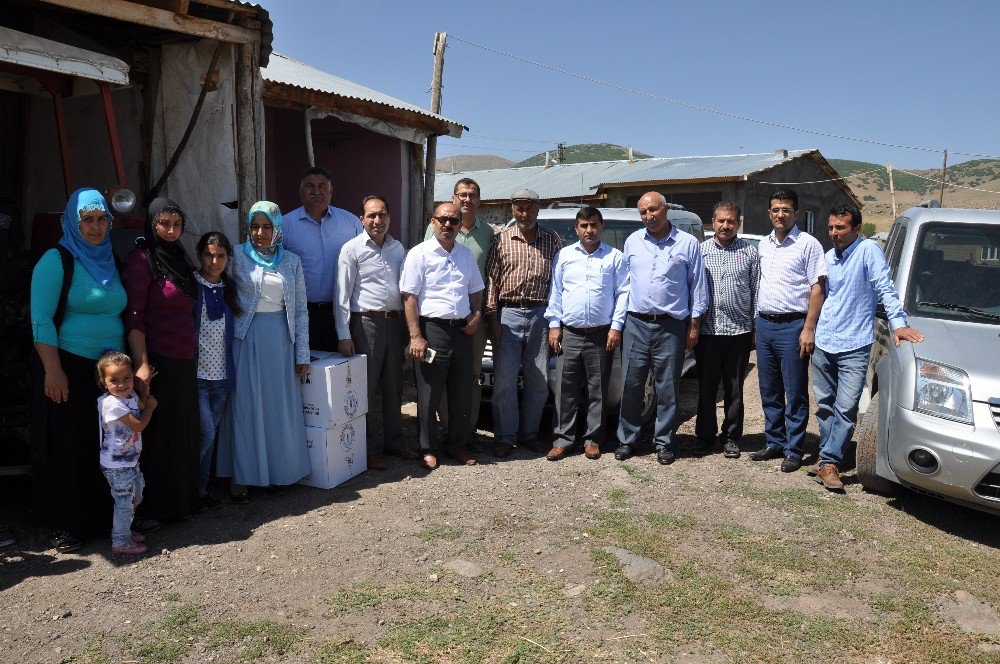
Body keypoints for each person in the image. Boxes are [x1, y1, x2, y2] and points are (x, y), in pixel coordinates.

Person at [30, 188, 127, 552]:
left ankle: (105, 518)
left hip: (110, 372)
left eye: (101, 219)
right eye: (87, 220)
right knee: (72, 446)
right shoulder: (56, 259)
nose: (95, 226)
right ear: (73, 221)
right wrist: (53, 371)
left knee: (108, 445)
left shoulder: (111, 259)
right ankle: (68, 524)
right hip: (69, 364)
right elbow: (40, 319)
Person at [810, 205, 924, 490]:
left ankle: (829, 461)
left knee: (846, 407)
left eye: (841, 228)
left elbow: (885, 288)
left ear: (857, 229)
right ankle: (827, 458)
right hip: (825, 341)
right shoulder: (828, 258)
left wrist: (899, 324)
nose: (834, 233)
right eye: (831, 227)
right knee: (824, 406)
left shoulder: (868, 251)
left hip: (855, 344)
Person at [217, 202, 311, 499]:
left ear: (277, 228)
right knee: (246, 406)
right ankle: (243, 475)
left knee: (277, 407)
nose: (260, 232)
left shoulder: (291, 262)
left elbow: (299, 311)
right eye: (255, 226)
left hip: (281, 340)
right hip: (245, 339)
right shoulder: (236, 256)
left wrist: (302, 354)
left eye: (266, 226)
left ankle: (279, 472)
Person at [123, 197, 200, 522]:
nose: (170, 231)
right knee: (159, 436)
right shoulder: (141, 261)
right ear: (151, 224)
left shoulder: (181, 258)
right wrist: (141, 364)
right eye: (163, 224)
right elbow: (135, 318)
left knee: (182, 431)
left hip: (184, 360)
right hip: (157, 362)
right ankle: (153, 508)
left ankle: (181, 504)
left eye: (176, 224)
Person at [616, 192, 707, 465]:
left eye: (653, 210)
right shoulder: (633, 241)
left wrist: (694, 325)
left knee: (667, 388)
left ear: (665, 209)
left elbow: (697, 286)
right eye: (643, 212)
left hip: (671, 326)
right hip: (635, 323)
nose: (648, 216)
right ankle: (627, 439)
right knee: (631, 385)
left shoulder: (687, 243)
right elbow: (623, 284)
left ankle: (664, 442)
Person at [336, 195, 419, 469]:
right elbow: (342, 295)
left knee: (394, 386)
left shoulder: (398, 249)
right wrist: (344, 334)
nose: (377, 220)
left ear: (389, 218)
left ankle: (394, 442)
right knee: (366, 390)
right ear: (362, 219)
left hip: (394, 324)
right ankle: (367, 448)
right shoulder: (352, 249)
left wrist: (409, 329)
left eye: (381, 215)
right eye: (371, 215)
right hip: (365, 325)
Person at [401, 202, 484, 470]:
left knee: (462, 392)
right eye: (443, 220)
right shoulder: (419, 254)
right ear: (432, 222)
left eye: (454, 221)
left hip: (462, 330)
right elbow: (410, 297)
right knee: (429, 393)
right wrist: (416, 336)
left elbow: (475, 290)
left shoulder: (466, 255)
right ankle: (428, 448)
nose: (448, 225)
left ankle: (458, 446)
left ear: (460, 225)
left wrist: (476, 314)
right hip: (431, 330)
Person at [750, 189, 826, 473]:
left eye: (785, 210)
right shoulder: (763, 244)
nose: (780, 214)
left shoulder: (808, 244)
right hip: (765, 324)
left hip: (794, 325)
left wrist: (809, 328)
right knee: (769, 389)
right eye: (775, 210)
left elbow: (818, 287)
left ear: (795, 213)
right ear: (769, 213)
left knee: (794, 391)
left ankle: (794, 449)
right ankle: (774, 442)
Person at [544, 207, 629, 461]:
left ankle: (592, 439)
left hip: (601, 335)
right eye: (584, 225)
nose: (589, 230)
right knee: (565, 389)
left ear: (602, 227)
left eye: (594, 225)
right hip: (569, 333)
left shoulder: (614, 257)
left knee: (598, 391)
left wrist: (616, 327)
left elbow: (623, 293)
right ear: (576, 228)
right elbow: (556, 292)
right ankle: (563, 439)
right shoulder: (564, 256)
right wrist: (554, 325)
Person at [484, 189, 562, 458]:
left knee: (538, 381)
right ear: (512, 210)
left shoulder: (552, 240)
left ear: (537, 209)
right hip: (508, 315)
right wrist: (492, 317)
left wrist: (555, 321)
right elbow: (492, 280)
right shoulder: (501, 240)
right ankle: (505, 437)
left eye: (529, 208)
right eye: (519, 208)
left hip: (541, 315)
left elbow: (558, 283)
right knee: (504, 381)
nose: (524, 214)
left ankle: (529, 434)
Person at [425, 178, 494, 448]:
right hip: (439, 319)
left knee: (471, 376)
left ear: (479, 200)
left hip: (472, 319)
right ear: (453, 198)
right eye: (462, 195)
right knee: (441, 376)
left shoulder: (488, 233)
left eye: (472, 195)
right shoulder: (434, 230)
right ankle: (445, 429)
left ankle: (467, 430)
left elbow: (490, 277)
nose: (467, 199)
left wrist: (481, 314)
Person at [694, 202, 760, 459]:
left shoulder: (749, 253)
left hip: (738, 332)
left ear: (738, 224)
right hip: (708, 332)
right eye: (721, 221)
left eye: (731, 221)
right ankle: (705, 437)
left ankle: (731, 437)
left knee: (734, 390)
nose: (726, 225)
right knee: (707, 388)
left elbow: (756, 291)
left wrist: (754, 328)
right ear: (713, 222)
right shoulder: (700, 251)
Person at [282, 166, 363, 351]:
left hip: (343, 314)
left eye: (322, 186)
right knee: (304, 372)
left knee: (341, 372)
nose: (316, 192)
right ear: (300, 190)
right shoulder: (285, 225)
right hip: (302, 313)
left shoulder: (351, 223)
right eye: (310, 186)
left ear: (331, 190)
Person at [193, 232, 240, 509]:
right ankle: (185, 486)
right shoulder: (192, 286)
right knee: (206, 431)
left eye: (220, 256)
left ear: (227, 258)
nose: (214, 261)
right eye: (209, 255)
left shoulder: (230, 289)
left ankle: (200, 489)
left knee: (211, 438)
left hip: (222, 377)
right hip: (197, 376)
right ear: (200, 255)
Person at [96, 351, 157, 556]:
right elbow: (138, 425)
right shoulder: (111, 404)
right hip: (117, 465)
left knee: (136, 495)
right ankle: (120, 541)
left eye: (126, 378)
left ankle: (124, 531)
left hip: (130, 460)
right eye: (114, 380)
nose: (121, 385)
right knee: (124, 501)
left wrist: (144, 390)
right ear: (103, 382)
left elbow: (140, 403)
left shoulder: (129, 395)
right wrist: (150, 408)